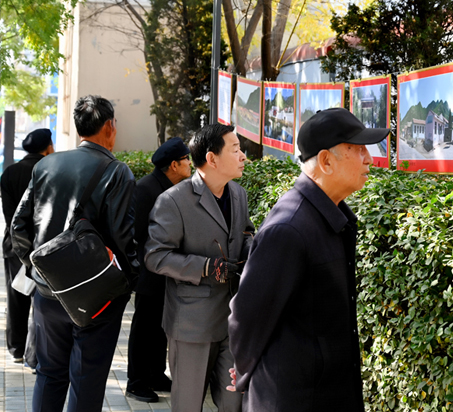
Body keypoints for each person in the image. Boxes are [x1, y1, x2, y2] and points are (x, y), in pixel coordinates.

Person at [228, 108, 390, 411]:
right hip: (294, 397)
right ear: (326, 161)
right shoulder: (289, 228)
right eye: (357, 150)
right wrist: (245, 371)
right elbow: (246, 316)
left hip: (327, 391)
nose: (369, 159)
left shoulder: (329, 216)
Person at [11, 95, 138, 412]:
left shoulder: (45, 165)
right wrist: (129, 281)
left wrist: (39, 269)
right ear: (109, 127)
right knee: (86, 382)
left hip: (48, 293)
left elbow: (18, 226)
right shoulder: (117, 172)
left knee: (49, 375)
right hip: (96, 298)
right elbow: (125, 239)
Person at [144, 124, 254, 412]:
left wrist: (254, 249)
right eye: (236, 149)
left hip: (233, 321)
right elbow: (155, 256)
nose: (243, 156)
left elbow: (245, 234)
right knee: (188, 405)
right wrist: (204, 267)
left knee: (234, 403)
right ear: (212, 158)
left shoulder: (239, 194)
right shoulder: (173, 201)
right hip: (191, 323)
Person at [126, 137, 191, 403]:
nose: (190, 164)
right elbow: (135, 234)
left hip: (166, 273)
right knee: (144, 327)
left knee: (160, 327)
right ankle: (136, 381)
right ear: (174, 165)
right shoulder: (147, 189)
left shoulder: (172, 186)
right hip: (149, 274)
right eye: (187, 160)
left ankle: (155, 374)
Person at [1, 128, 54, 371]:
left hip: (14, 245)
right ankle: (37, 355)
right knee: (42, 299)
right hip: (44, 246)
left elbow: (10, 215)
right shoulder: (49, 170)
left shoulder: (9, 172)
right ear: (48, 147)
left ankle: (16, 350)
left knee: (16, 295)